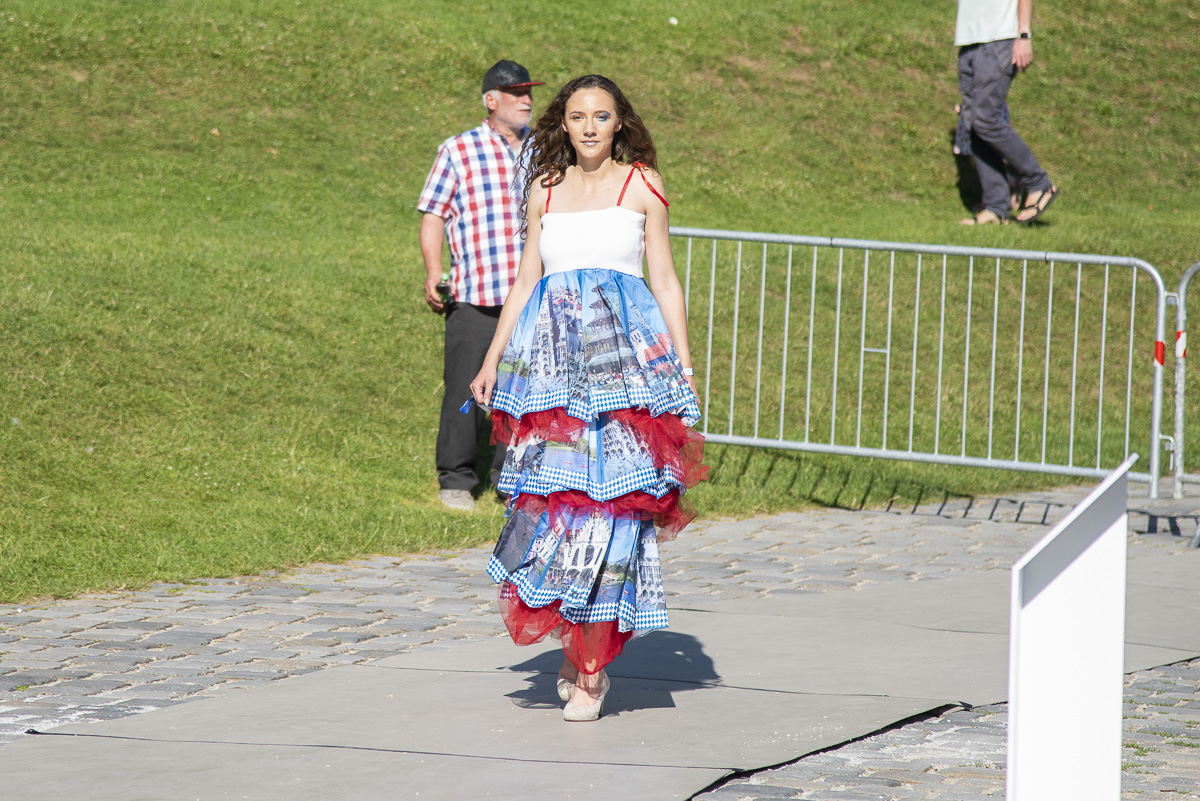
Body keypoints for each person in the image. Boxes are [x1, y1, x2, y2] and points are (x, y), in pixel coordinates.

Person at [468, 75, 706, 721]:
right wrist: (493, 360)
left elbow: (663, 276)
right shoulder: (543, 189)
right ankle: (578, 649)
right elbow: (524, 284)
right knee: (557, 512)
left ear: (619, 122)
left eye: (603, 116)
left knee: (615, 510)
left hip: (628, 373)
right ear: (563, 125)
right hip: (551, 374)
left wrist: (680, 365)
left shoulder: (643, 185)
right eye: (579, 116)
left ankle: (594, 665)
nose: (591, 126)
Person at [417, 60, 544, 510]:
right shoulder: (458, 150)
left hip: (531, 299)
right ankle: (456, 480)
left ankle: (514, 481)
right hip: (476, 295)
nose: (527, 100)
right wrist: (435, 271)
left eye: (529, 92)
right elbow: (433, 214)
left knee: (525, 393)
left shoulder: (544, 149)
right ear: (491, 100)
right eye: (516, 93)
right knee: (465, 393)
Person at [955, 0, 1059, 226]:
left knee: (985, 118)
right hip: (968, 39)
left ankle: (1039, 183)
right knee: (973, 122)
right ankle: (996, 207)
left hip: (999, 38)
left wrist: (1023, 35)